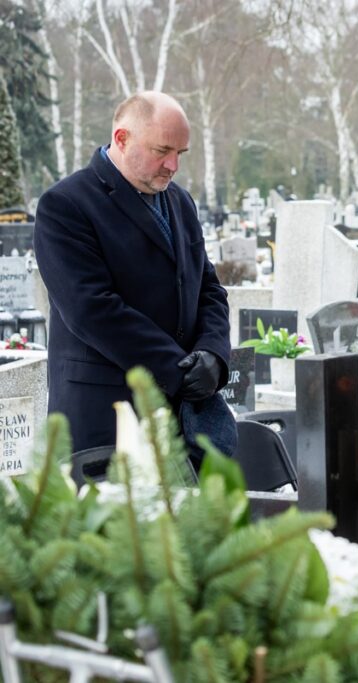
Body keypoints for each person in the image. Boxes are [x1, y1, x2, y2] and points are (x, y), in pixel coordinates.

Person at [34, 91, 232, 456]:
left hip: (183, 418)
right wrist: (180, 370)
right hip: (108, 417)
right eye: (162, 151)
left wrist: (214, 354)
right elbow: (92, 310)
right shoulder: (66, 205)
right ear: (122, 139)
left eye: (180, 154)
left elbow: (208, 289)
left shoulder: (181, 202)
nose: (173, 165)